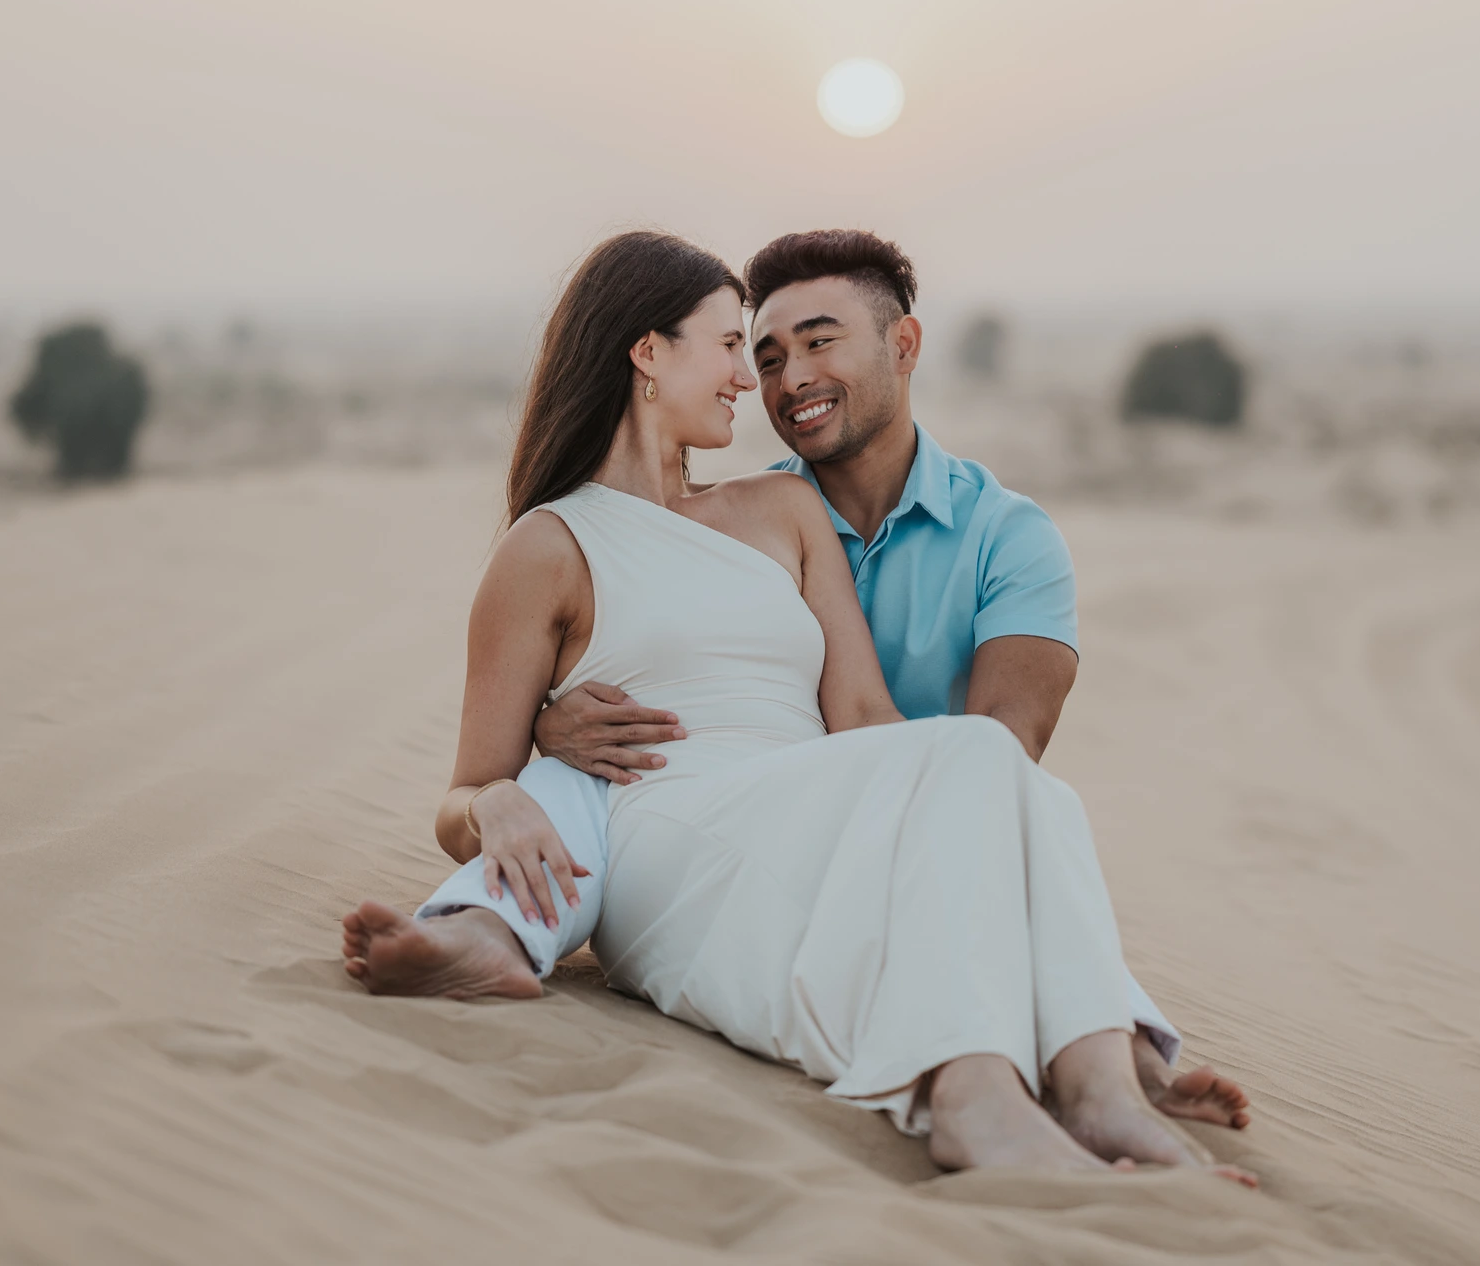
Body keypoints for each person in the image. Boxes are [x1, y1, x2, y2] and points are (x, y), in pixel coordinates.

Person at [342, 231, 1253, 1179]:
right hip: (668, 833)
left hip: (810, 807)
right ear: (649, 354)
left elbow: (865, 718)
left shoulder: (784, 511)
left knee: (1003, 769)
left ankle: (1102, 1087)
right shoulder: (546, 546)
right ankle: (982, 1100)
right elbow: (466, 790)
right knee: (978, 762)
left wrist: (947, 801)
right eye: (733, 347)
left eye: (771, 351)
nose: (753, 380)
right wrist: (499, 794)